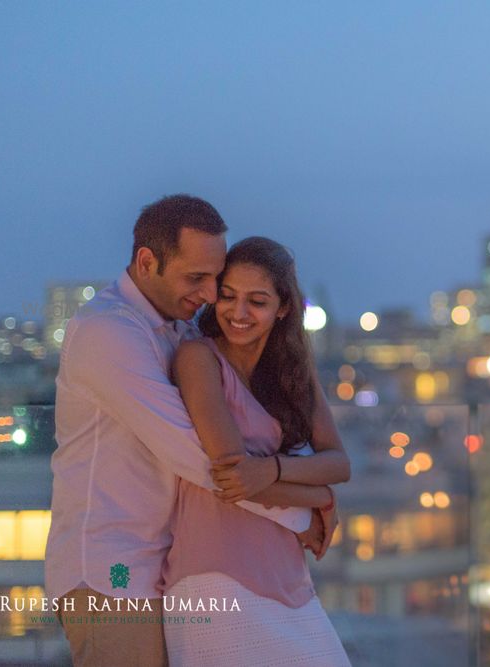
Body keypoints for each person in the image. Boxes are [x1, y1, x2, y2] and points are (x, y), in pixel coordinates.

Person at [45, 195, 341, 666]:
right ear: (147, 262)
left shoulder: (177, 332)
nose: (208, 294)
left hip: (160, 566)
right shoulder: (109, 332)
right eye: (197, 278)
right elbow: (203, 460)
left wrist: (311, 493)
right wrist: (305, 512)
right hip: (111, 570)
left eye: (214, 279)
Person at [162, 236, 351, 666]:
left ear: (284, 308)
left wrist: (273, 470)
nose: (238, 313)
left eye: (257, 301)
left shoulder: (293, 374)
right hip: (214, 577)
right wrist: (318, 497)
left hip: (287, 576)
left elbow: (339, 463)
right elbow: (234, 477)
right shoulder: (198, 358)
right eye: (227, 296)